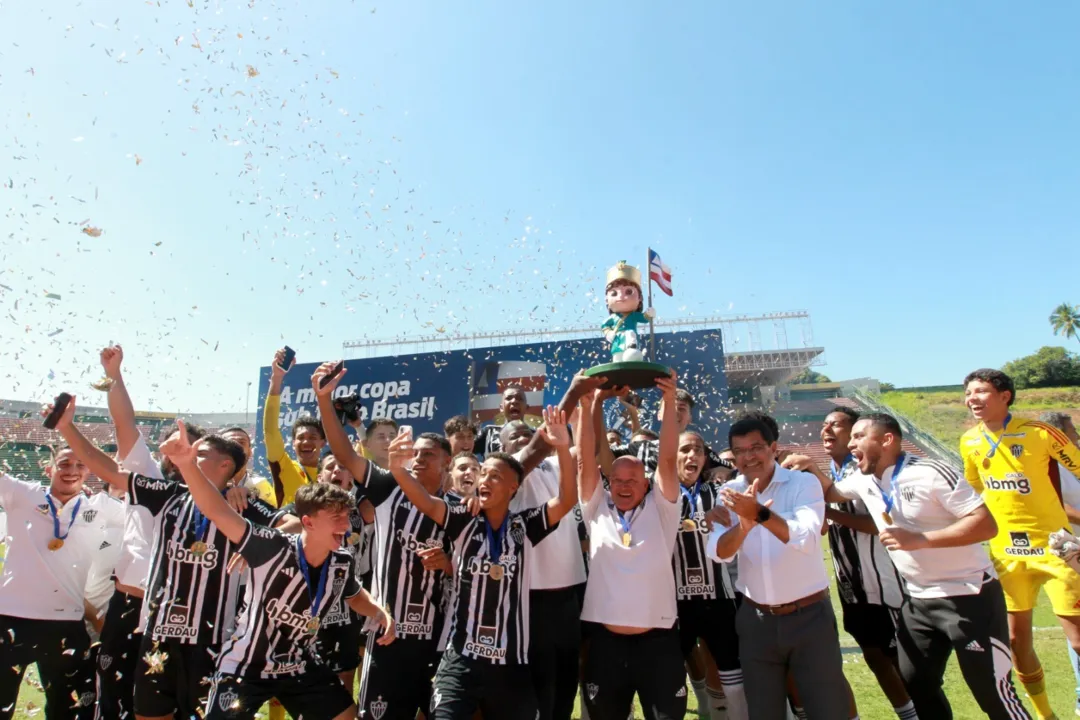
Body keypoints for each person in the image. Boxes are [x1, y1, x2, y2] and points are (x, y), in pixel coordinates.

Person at [53, 396, 290, 720]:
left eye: (201, 454)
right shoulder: (166, 494)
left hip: (213, 642)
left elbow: (289, 525)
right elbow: (107, 468)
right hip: (159, 637)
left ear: (226, 466)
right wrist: (66, 427)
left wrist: (256, 547)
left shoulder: (244, 507)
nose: (189, 456)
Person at [156, 422, 394, 720]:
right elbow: (216, 509)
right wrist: (187, 466)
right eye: (336, 518)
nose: (346, 527)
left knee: (346, 716)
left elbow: (355, 595)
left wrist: (379, 612)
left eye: (346, 518)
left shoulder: (342, 561)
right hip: (247, 666)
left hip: (299, 664)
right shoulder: (270, 546)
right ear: (307, 522)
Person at [818, 412, 1030, 720]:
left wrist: (921, 539)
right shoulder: (864, 479)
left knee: (992, 693)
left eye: (859, 437)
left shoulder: (931, 471)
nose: (851, 444)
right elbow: (830, 493)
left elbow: (985, 525)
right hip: (917, 601)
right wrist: (804, 469)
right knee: (915, 683)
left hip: (969, 595)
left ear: (887, 440)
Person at [387, 405, 577, 720]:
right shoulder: (464, 518)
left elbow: (567, 499)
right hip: (461, 659)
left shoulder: (524, 526)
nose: (484, 478)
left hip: (510, 665)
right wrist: (398, 470)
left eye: (495, 475)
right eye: (483, 472)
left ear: (513, 488)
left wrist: (561, 448)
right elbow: (425, 501)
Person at [314, 362, 454, 720]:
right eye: (415, 453)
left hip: (440, 636)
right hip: (389, 631)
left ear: (448, 462)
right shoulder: (388, 487)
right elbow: (345, 454)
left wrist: (450, 562)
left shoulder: (460, 510)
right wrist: (324, 400)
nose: (419, 459)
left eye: (429, 454)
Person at [707, 414, 848, 720]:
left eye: (755, 447)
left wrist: (757, 513)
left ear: (774, 447)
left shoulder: (804, 483)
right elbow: (719, 551)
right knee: (764, 710)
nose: (748, 457)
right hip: (756, 620)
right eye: (740, 450)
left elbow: (806, 536)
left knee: (827, 708)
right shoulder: (728, 492)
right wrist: (743, 526)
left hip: (809, 617)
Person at [962, 369, 1080, 720]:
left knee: (1077, 640)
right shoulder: (969, 441)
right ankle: (1046, 716)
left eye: (981, 391)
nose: (972, 399)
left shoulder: (1040, 432)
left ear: (1004, 396)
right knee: (1016, 642)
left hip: (1056, 548)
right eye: (968, 393)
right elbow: (973, 490)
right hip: (1007, 553)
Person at [782, 408, 914, 720]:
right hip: (851, 585)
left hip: (885, 582)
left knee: (902, 660)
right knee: (874, 656)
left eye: (837, 425)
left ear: (857, 433)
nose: (826, 429)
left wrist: (828, 512)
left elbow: (878, 524)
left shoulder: (867, 470)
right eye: (824, 424)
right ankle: (906, 713)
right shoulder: (829, 472)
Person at [578, 372, 688, 720]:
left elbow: (668, 460)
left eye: (633, 481)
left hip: (659, 643)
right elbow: (585, 460)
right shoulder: (596, 509)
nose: (624, 486)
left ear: (647, 484)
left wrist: (669, 401)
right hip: (606, 644)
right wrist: (590, 404)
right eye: (617, 480)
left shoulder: (663, 510)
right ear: (608, 483)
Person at [0, 444, 123, 720]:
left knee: (66, 711)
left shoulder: (100, 508)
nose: (72, 471)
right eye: (65, 464)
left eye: (80, 465)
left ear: (89, 471)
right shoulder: (21, 493)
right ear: (49, 468)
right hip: (11, 619)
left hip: (67, 623)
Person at [499, 419, 587, 720]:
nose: (523, 439)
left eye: (528, 433)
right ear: (503, 449)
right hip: (528, 597)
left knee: (566, 679)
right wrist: (574, 394)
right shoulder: (505, 476)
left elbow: (587, 450)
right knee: (540, 685)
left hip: (569, 592)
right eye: (515, 437)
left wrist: (591, 405)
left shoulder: (554, 464)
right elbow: (537, 449)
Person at [93, 344, 160, 720]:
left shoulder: (219, 503)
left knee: (160, 701)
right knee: (112, 698)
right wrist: (115, 375)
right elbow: (125, 427)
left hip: (173, 614)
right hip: (128, 605)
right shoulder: (150, 479)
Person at [672, 430, 747, 720]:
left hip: (719, 596)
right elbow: (658, 531)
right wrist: (702, 519)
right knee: (669, 674)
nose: (693, 455)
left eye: (699, 450)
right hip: (675, 601)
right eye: (685, 450)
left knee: (732, 671)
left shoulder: (719, 492)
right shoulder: (659, 494)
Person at [1039, 410, 1080, 715]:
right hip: (1069, 556)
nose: (1076, 438)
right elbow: (1056, 508)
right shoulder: (1045, 465)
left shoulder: (1069, 464)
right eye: (1072, 433)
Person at [264, 347, 325, 505]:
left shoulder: (332, 473)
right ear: (293, 443)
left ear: (322, 443)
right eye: (300, 438)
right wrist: (276, 378)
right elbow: (270, 431)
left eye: (312, 437)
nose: (306, 442)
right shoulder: (285, 467)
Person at [221, 426, 276, 506]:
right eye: (230, 442)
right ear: (218, 451)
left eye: (242, 442)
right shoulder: (208, 484)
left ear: (250, 452)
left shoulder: (261, 485)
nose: (236, 446)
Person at [474, 384, 528, 456]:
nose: (514, 401)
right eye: (508, 398)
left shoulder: (535, 436)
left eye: (520, 398)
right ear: (501, 408)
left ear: (526, 408)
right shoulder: (489, 432)